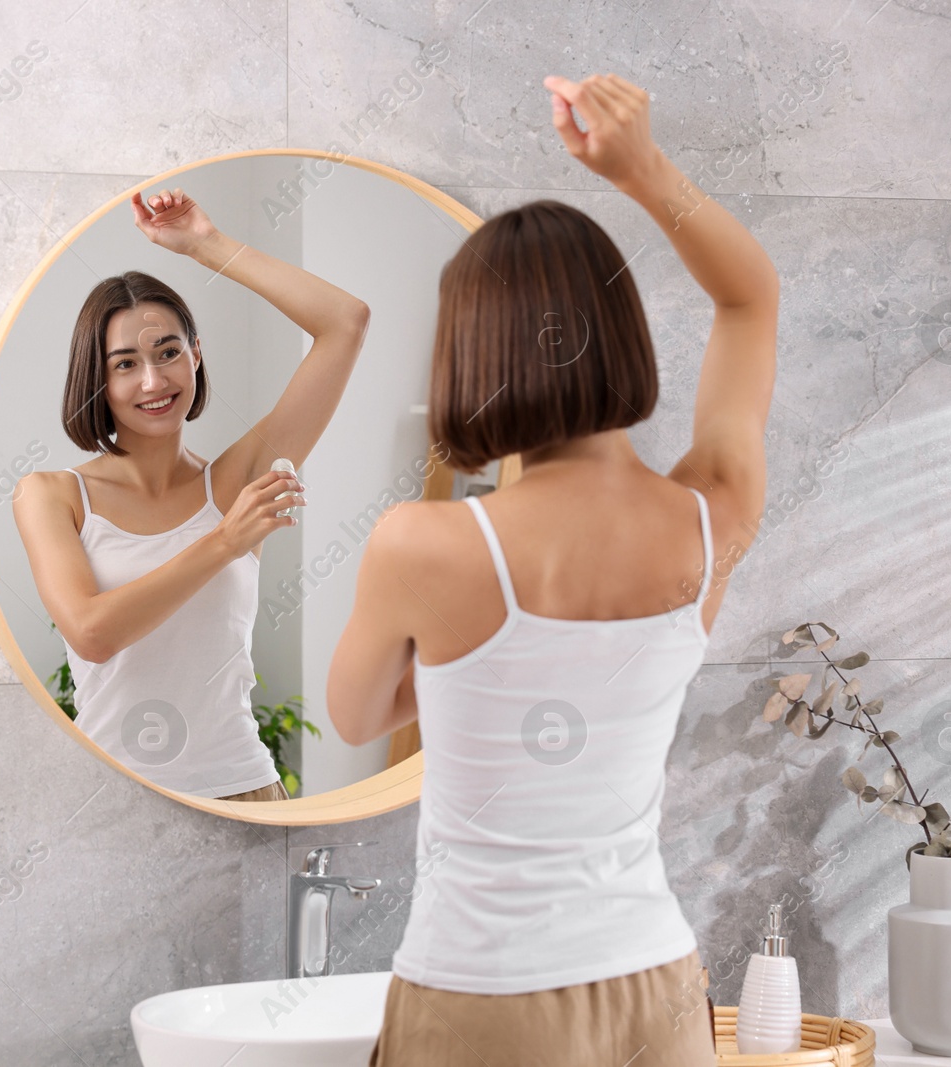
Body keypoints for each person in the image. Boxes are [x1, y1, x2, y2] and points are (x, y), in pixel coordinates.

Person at [326, 73, 778, 1064]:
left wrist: (467, 659)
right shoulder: (711, 517)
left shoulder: (427, 544)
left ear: (467, 356)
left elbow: (357, 719)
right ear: (620, 334)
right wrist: (642, 168)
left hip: (483, 997)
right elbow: (749, 296)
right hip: (658, 987)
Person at [15, 187, 370, 801]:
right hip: (113, 801)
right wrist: (226, 540)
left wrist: (207, 245)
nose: (153, 380)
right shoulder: (52, 495)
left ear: (196, 357)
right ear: (95, 378)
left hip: (246, 793)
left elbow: (345, 322)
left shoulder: (234, 481)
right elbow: (92, 633)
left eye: (168, 352)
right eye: (124, 363)